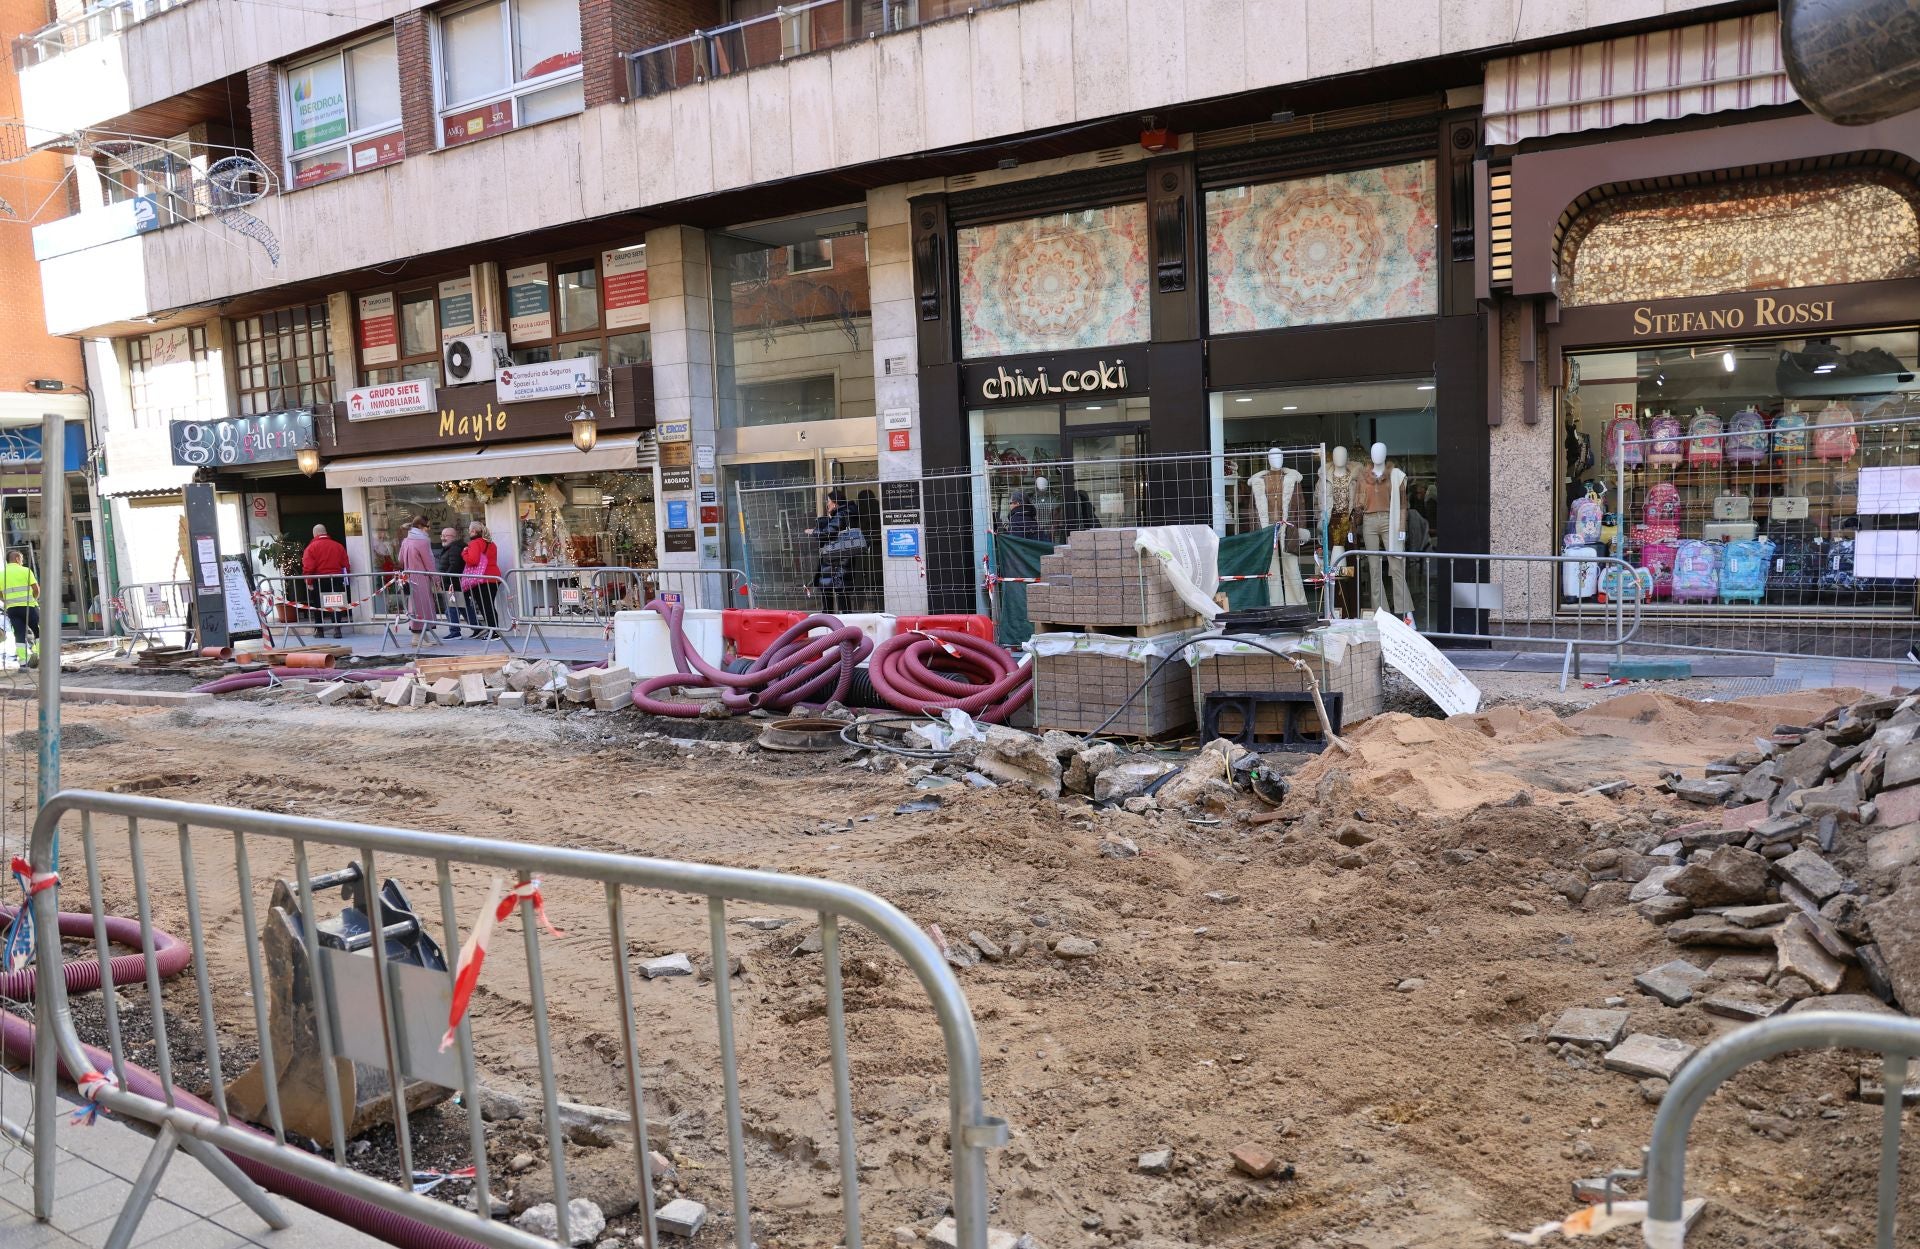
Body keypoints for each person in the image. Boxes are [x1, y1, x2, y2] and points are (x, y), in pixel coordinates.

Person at [807, 488, 859, 614]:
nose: (827, 504)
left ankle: (830, 621)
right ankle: (844, 621)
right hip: (843, 559)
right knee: (842, 593)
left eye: (829, 501)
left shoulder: (841, 515)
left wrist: (813, 531)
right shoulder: (848, 514)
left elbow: (828, 532)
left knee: (831, 590)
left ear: (835, 503)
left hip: (835, 561)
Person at [300, 524, 349, 638]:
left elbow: (308, 567)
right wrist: (345, 579)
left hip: (319, 580)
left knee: (318, 605)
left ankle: (320, 631)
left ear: (315, 534)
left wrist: (309, 582)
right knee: (336, 603)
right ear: (325, 532)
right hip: (336, 579)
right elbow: (345, 565)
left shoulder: (311, 548)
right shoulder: (338, 546)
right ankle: (337, 629)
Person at [397, 517, 439, 643]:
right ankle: (418, 637)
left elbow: (400, 560)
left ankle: (421, 636)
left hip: (408, 577)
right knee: (423, 606)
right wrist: (436, 579)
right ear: (421, 526)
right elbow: (429, 563)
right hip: (421, 578)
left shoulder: (406, 541)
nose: (429, 529)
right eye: (428, 526)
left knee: (414, 606)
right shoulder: (423, 542)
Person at [463, 523, 503, 630]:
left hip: (482, 579)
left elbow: (473, 560)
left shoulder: (474, 543)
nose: (468, 532)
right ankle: (494, 630)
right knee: (489, 605)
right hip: (495, 577)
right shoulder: (491, 544)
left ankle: (493, 631)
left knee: (485, 606)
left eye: (469, 530)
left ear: (474, 531)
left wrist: (464, 553)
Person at [2, 552, 38, 666]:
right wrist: (33, 600)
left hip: (12, 609)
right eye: (21, 559)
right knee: (38, 630)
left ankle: (23, 662)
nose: (22, 561)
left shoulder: (2, 574)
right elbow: (36, 589)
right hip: (29, 607)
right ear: (17, 559)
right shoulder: (25, 571)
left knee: (19, 634)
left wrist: (7, 601)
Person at [435, 525, 469, 639]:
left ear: (454, 537)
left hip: (452, 583)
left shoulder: (454, 548)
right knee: (462, 608)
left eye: (446, 536)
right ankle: (477, 628)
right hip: (451, 582)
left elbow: (455, 565)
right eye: (442, 535)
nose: (443, 538)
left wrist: (445, 578)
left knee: (452, 608)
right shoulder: (450, 547)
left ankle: (455, 632)